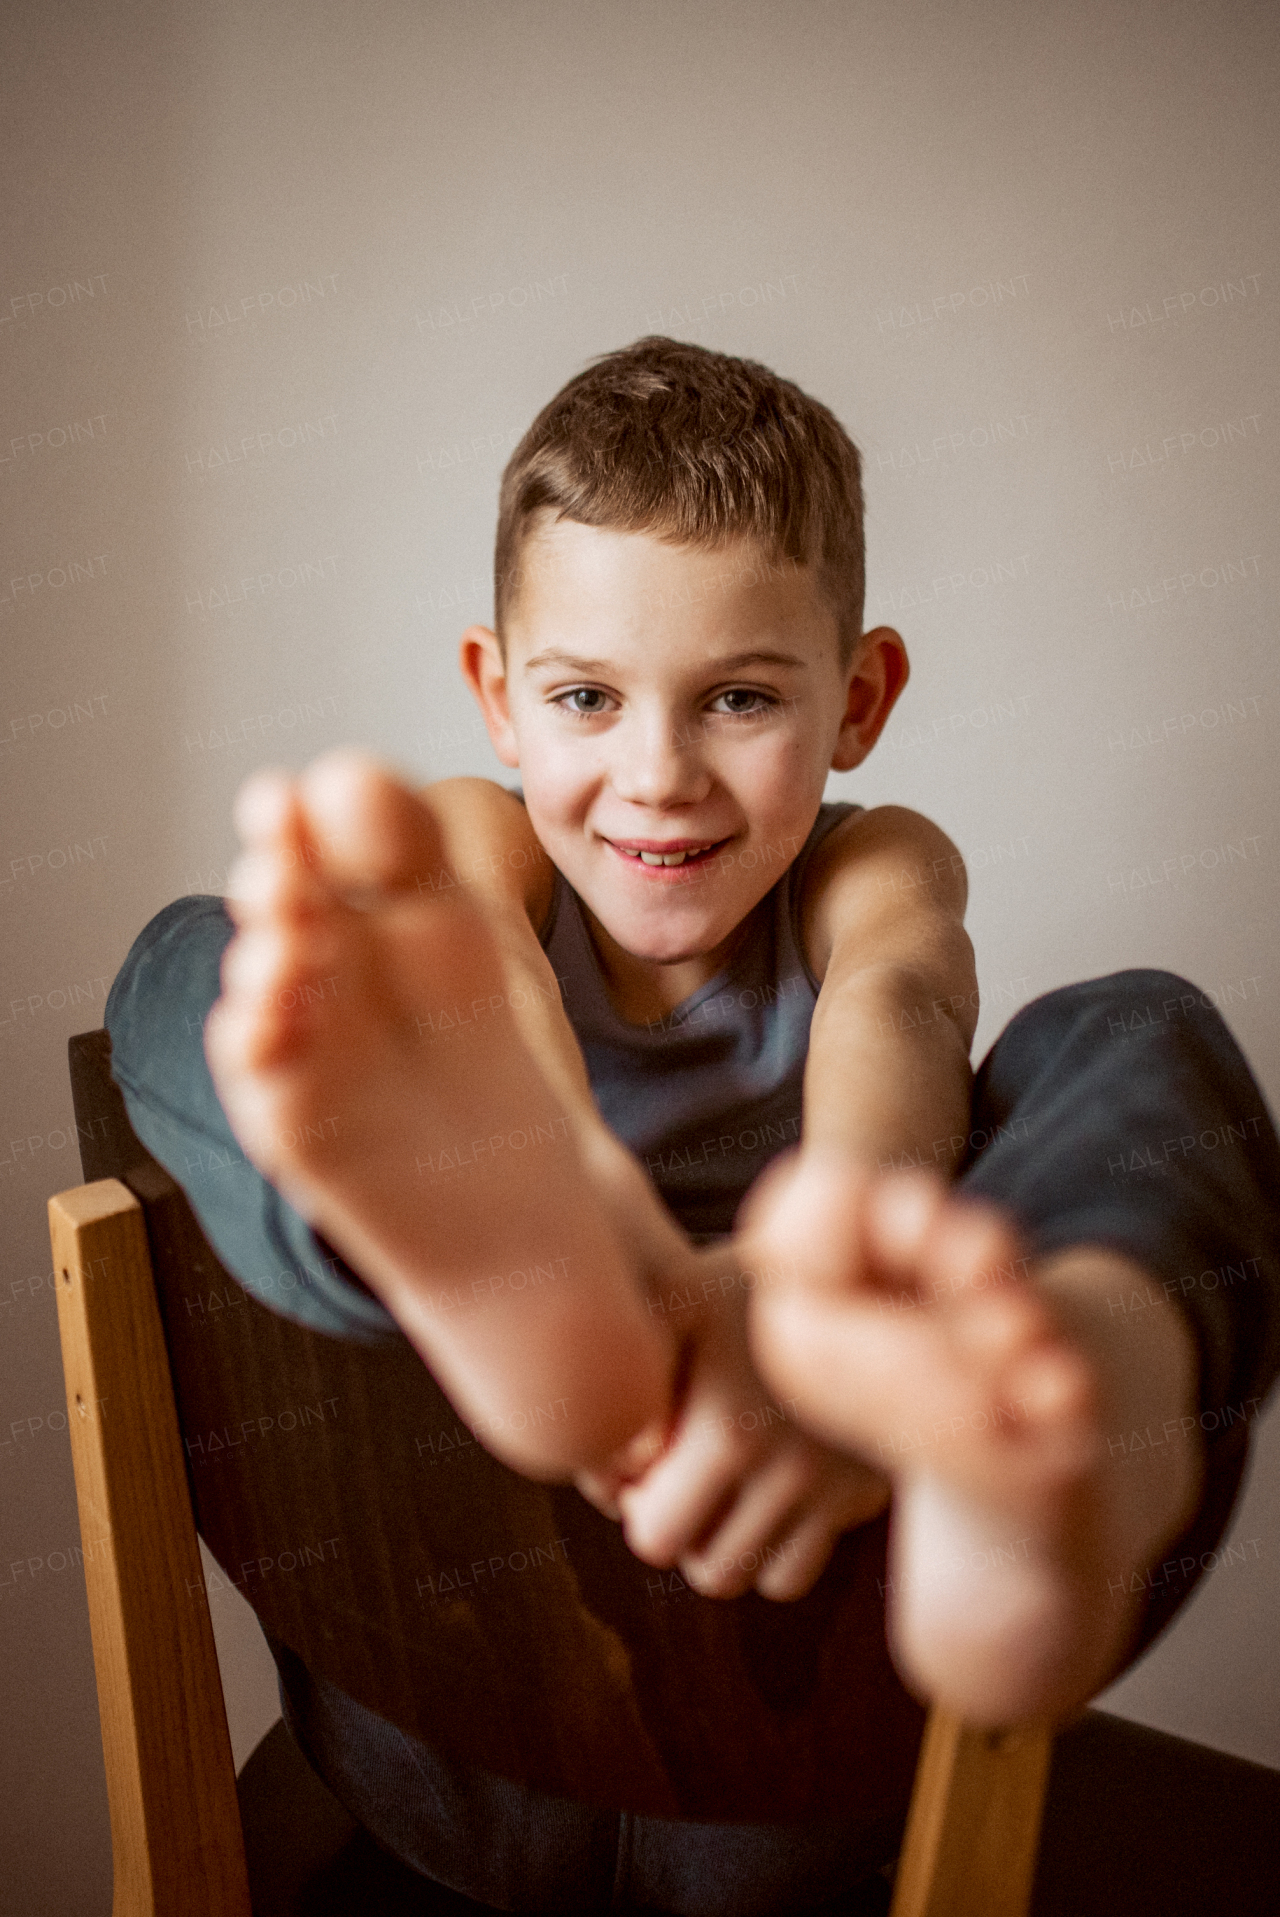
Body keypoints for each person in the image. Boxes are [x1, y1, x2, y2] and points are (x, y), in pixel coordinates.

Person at [106, 338, 1280, 1905]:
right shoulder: (475, 854)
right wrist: (579, 1196)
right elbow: (483, 964)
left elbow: (898, 1009)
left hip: (804, 1737)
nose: (657, 776)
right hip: (452, 1705)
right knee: (223, 962)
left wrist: (808, 1285)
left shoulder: (876, 871)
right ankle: (520, 1255)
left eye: (738, 697)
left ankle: (1057, 1442)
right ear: (496, 695)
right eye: (586, 696)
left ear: (859, 698)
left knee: (1138, 1032)